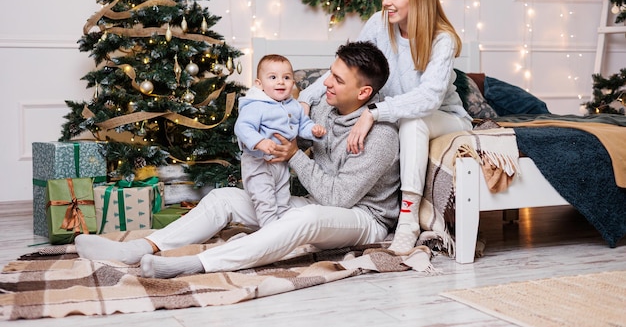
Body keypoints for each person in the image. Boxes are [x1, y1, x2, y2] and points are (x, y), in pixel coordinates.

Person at [75, 41, 401, 278]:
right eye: (331, 73)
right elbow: (283, 129)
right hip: (314, 203)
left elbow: (338, 199)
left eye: (338, 80)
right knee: (222, 198)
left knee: (307, 217)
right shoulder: (322, 109)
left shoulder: (381, 136)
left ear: (363, 93)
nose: (326, 83)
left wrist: (292, 155)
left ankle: (199, 264)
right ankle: (140, 248)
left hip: (363, 219)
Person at [298, 0, 472, 255]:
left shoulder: (441, 39)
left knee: (412, 123)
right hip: (393, 112)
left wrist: (374, 113)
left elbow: (428, 98)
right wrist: (304, 98)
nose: (387, 2)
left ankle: (408, 221)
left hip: (444, 117)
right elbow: (347, 68)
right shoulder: (380, 24)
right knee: (399, 121)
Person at [234, 54, 326, 227]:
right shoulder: (256, 105)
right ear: (259, 84)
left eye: (286, 77)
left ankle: (282, 235)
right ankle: (269, 237)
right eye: (273, 77)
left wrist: (314, 130)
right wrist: (260, 142)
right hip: (258, 163)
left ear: (293, 82)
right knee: (266, 204)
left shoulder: (293, 105)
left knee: (283, 202)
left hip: (281, 165)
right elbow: (242, 127)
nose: (281, 82)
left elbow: (302, 124)